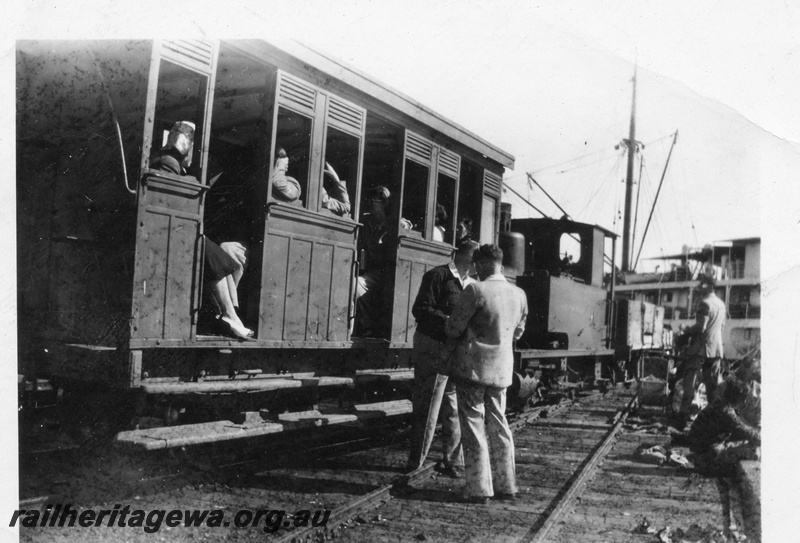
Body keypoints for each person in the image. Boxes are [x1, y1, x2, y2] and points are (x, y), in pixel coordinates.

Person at [151, 121, 252, 339]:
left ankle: (227, 314)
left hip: (178, 229)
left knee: (219, 253)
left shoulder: (175, 163)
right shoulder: (170, 163)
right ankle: (227, 314)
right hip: (171, 230)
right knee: (214, 253)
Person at [444, 244, 528, 503]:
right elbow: (517, 332)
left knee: (473, 427)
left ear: (481, 265)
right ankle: (508, 485)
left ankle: (479, 489)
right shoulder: (519, 294)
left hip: (473, 370)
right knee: (500, 425)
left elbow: (453, 328)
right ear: (501, 264)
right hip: (502, 370)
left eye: (476, 265)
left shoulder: (475, 289)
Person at [406, 240, 480, 476]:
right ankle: (416, 462)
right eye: (474, 256)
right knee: (428, 405)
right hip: (432, 346)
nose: (477, 262)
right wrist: (449, 321)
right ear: (460, 254)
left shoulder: (472, 284)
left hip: (454, 350)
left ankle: (453, 461)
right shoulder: (438, 275)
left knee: (451, 405)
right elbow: (421, 309)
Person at [353, 185, 408, 336]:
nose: (370, 204)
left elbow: (406, 227)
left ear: (384, 203)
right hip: (374, 271)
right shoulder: (367, 221)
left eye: (374, 201)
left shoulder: (396, 221)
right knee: (356, 285)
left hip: (393, 272)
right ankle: (366, 328)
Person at [677, 275, 726, 429]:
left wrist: (686, 331)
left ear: (709, 287)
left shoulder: (704, 304)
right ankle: (714, 422)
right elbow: (721, 327)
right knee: (713, 388)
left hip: (700, 350)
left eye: (702, 285)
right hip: (716, 349)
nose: (699, 287)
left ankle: (682, 418)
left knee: (689, 383)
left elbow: (701, 327)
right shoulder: (721, 304)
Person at [687, 377, 760, 476]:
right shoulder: (726, 412)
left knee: (739, 445)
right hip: (707, 458)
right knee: (752, 454)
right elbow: (743, 430)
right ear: (739, 399)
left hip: (701, 452)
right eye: (744, 399)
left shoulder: (718, 405)